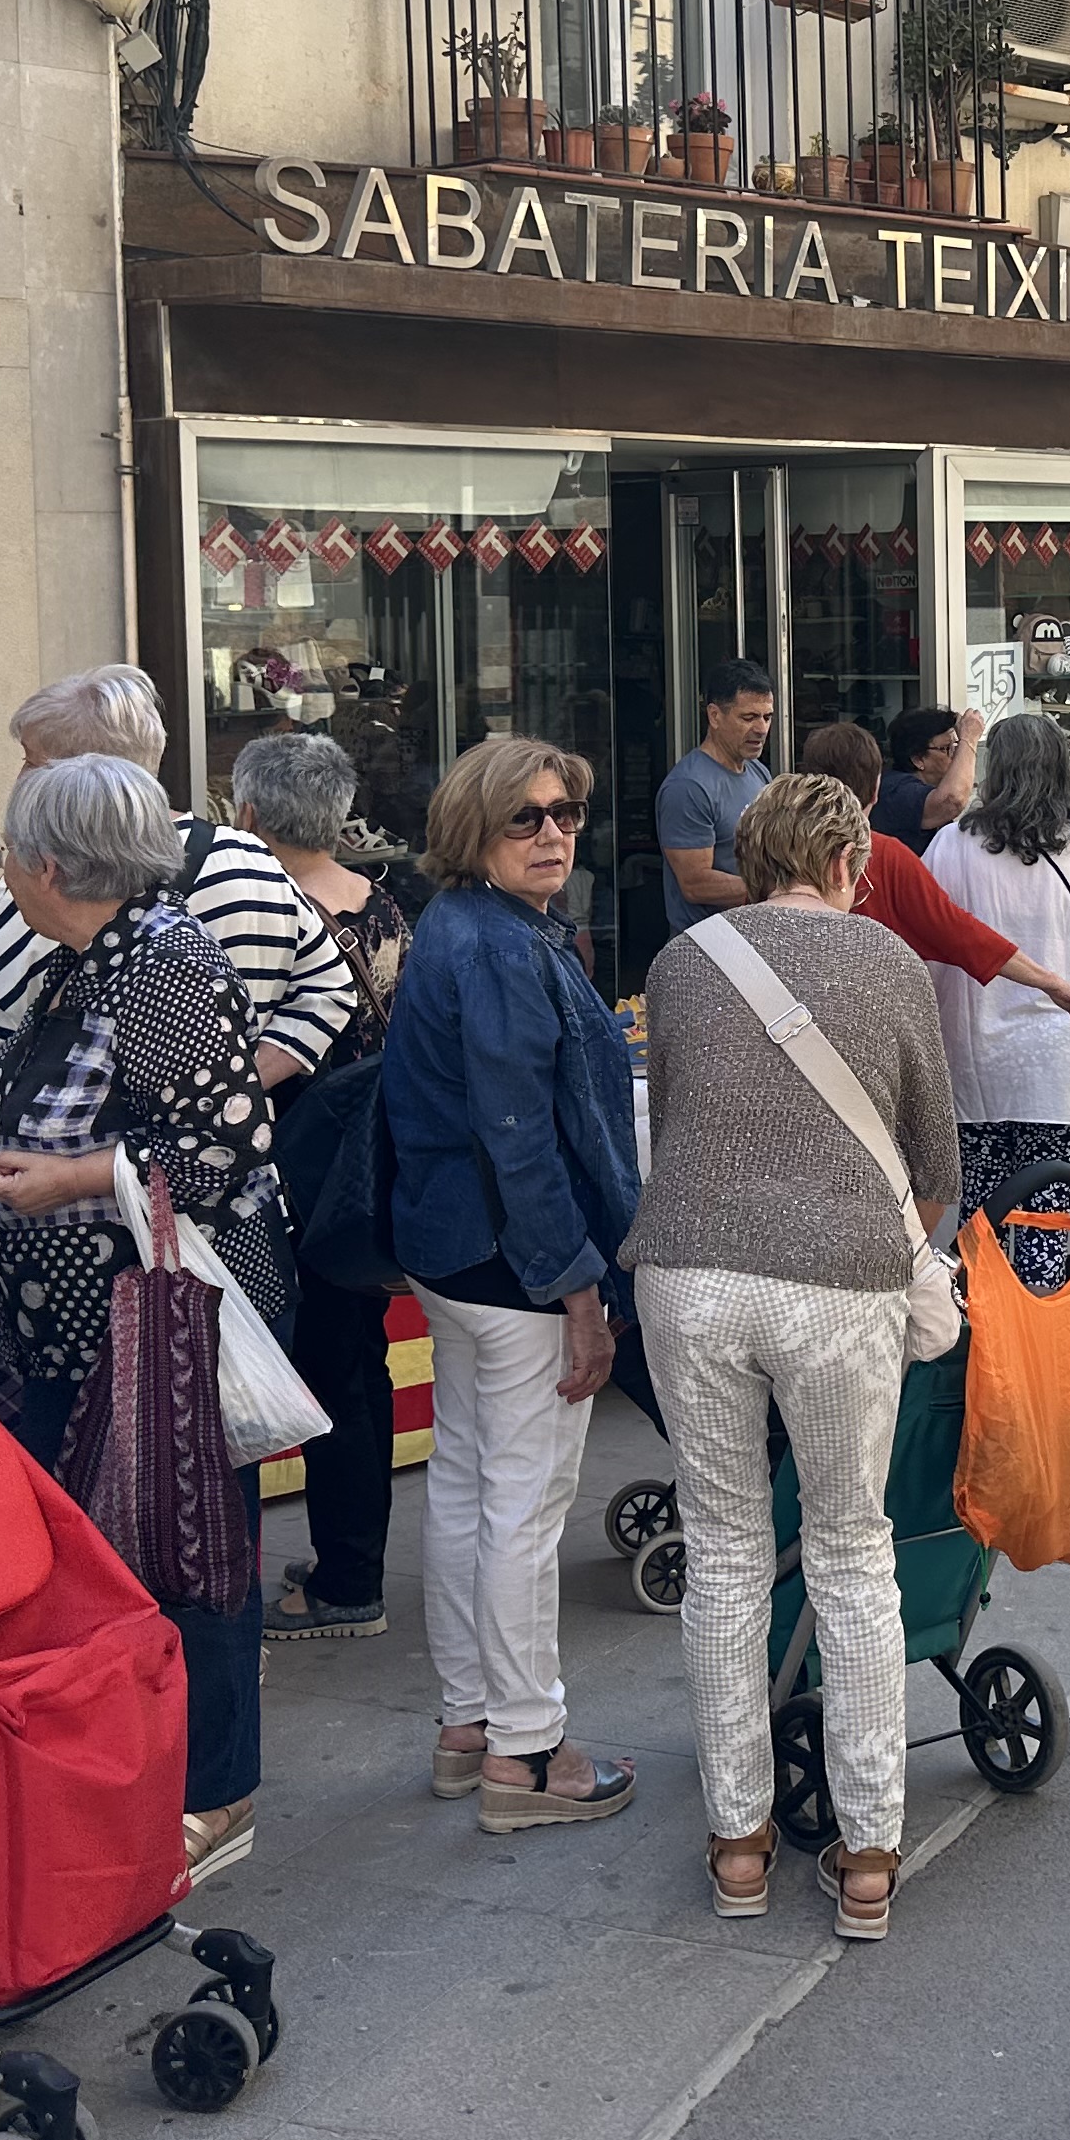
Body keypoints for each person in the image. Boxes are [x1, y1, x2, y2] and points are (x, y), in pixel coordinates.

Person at [627, 774, 953, 1942]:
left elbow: (676, 1131)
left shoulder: (680, 964)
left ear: (754, 857)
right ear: (853, 864)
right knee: (851, 1549)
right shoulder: (889, 963)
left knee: (720, 1549)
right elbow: (933, 1157)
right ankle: (867, 1852)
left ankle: (738, 1844)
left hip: (691, 1274)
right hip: (838, 1283)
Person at [0, 755, 300, 1883]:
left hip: (159, 1321)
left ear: (49, 863)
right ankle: (137, 1762)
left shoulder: (160, 960)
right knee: (119, 1551)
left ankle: (218, 1791)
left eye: (5, 849)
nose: (2, 867)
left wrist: (68, 1182)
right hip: (79, 1324)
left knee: (190, 1544)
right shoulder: (87, 960)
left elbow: (222, 1151)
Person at [378, 735, 639, 1834]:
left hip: (458, 1257)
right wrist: (579, 1287)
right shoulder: (493, 943)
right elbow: (519, 1134)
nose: (553, 833)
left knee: (472, 1487)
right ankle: (528, 1755)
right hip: (512, 1265)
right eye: (525, 817)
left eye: (568, 812)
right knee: (520, 1508)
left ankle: (471, 1726)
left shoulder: (467, 926)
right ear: (473, 831)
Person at [0, 665, 357, 1109]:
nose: (19, 779)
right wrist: (225, 1092)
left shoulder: (51, 879)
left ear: (83, 777)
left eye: (31, 761)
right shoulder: (250, 858)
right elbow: (331, 991)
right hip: (212, 1154)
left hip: (53, 1165)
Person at [233, 729, 418, 1644]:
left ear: (249, 815)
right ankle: (352, 1563)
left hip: (289, 1174)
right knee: (357, 1367)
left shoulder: (262, 914)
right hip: (366, 1170)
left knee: (314, 1370)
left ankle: (346, 1582)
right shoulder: (380, 905)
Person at [925, 713, 1070, 1241]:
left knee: (981, 1210)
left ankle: (988, 1317)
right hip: (1061, 1052)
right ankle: (1041, 1315)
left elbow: (926, 943)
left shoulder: (952, 845)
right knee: (1047, 1208)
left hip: (977, 1052)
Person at [798, 723, 1070, 1019]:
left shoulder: (778, 848)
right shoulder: (887, 856)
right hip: (867, 1014)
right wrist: (1050, 982)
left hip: (792, 1010)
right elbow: (956, 930)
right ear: (877, 787)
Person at [656, 657, 776, 934]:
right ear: (714, 716)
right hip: (705, 948)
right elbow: (696, 884)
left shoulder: (758, 772)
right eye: (748, 717)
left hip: (754, 937)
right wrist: (778, 889)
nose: (761, 729)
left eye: (767, 717)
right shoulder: (688, 787)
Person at [869, 704, 981, 858]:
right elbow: (951, 801)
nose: (956, 755)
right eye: (946, 748)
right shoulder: (896, 790)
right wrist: (968, 741)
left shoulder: (926, 786)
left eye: (956, 745)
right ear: (918, 759)